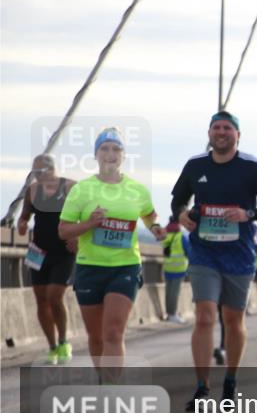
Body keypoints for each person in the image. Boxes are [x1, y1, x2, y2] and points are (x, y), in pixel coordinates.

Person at [172, 111, 257, 409]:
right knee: (205, 316)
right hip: (204, 253)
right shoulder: (196, 165)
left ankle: (231, 380)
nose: (221, 132)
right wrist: (181, 214)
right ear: (209, 133)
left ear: (237, 135)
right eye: (216, 127)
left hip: (239, 255)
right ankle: (202, 388)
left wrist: (248, 214)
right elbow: (178, 200)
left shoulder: (252, 166)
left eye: (227, 128)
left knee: (233, 321)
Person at [58, 128, 164, 380]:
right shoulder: (82, 190)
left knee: (114, 333)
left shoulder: (137, 190)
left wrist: (155, 228)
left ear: (123, 156)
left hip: (125, 267)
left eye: (116, 149)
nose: (110, 154)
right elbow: (63, 231)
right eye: (105, 148)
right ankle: (103, 379)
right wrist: (89, 224)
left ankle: (111, 387)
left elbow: (149, 215)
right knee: (96, 337)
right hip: (90, 267)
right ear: (96, 155)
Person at [17, 154, 77, 364]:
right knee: (41, 300)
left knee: (54, 296)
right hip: (38, 250)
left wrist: (78, 235)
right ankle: (52, 347)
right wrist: (22, 224)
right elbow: (24, 216)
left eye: (40, 172)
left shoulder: (70, 187)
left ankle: (63, 341)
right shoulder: (33, 191)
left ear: (52, 169)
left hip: (63, 251)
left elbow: (86, 214)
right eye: (34, 172)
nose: (37, 176)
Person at [161, 216, 190, 324]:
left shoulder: (165, 235)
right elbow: (189, 251)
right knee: (175, 292)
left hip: (168, 267)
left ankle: (169, 314)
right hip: (179, 268)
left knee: (168, 292)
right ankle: (173, 314)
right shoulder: (181, 237)